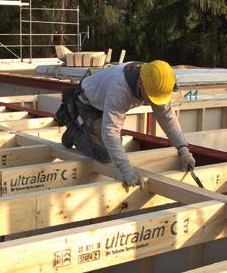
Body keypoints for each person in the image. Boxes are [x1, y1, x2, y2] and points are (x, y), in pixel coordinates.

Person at [56, 60, 196, 187]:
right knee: (105, 155)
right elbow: (110, 131)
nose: (153, 102)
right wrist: (126, 170)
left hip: (106, 101)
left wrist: (183, 148)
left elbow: (166, 116)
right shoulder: (119, 89)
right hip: (89, 103)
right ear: (141, 84)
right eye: (151, 97)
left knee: (115, 146)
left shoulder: (154, 81)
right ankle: (73, 133)